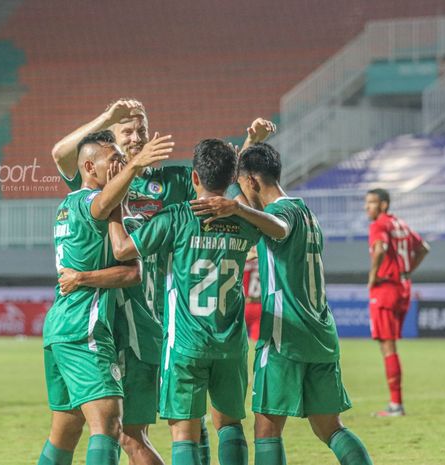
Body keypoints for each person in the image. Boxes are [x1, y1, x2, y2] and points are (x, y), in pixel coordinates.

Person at [51, 98, 275, 465]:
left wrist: (248, 148)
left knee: (153, 424)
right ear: (111, 142)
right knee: (125, 427)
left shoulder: (172, 182)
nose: (137, 135)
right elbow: (61, 153)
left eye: (142, 128)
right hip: (108, 318)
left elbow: (217, 191)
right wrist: (107, 116)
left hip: (157, 317)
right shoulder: (99, 184)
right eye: (128, 130)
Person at [191, 143, 373, 465]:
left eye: (243, 185)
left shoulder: (282, 214)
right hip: (321, 334)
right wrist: (246, 150)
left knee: (266, 430)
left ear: (252, 182)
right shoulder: (306, 211)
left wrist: (237, 209)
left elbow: (277, 226)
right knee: (330, 428)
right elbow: (261, 213)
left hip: (284, 336)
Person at [108, 139, 287, 465]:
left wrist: (112, 202)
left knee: (184, 432)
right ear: (231, 178)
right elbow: (275, 227)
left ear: (193, 178)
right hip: (230, 343)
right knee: (231, 425)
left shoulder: (176, 217)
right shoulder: (245, 220)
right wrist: (240, 203)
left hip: (185, 345)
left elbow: (121, 250)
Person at [38, 130, 168, 465]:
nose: (121, 164)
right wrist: (137, 164)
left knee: (65, 432)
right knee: (109, 424)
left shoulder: (67, 206)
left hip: (61, 327)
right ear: (89, 168)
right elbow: (103, 207)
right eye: (115, 161)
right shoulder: (86, 203)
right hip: (85, 327)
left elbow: (129, 272)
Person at [364, 188, 430, 417]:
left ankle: (396, 404)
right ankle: (396, 403)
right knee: (389, 345)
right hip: (403, 287)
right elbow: (423, 248)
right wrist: (407, 270)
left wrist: (373, 276)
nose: (367, 208)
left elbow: (380, 249)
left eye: (371, 203)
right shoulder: (400, 224)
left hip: (386, 288)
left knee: (387, 346)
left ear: (383, 205)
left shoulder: (379, 225)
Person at [243, 247, 262, 340]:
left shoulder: (245, 261)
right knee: (256, 342)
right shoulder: (264, 263)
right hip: (260, 305)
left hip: (244, 304)